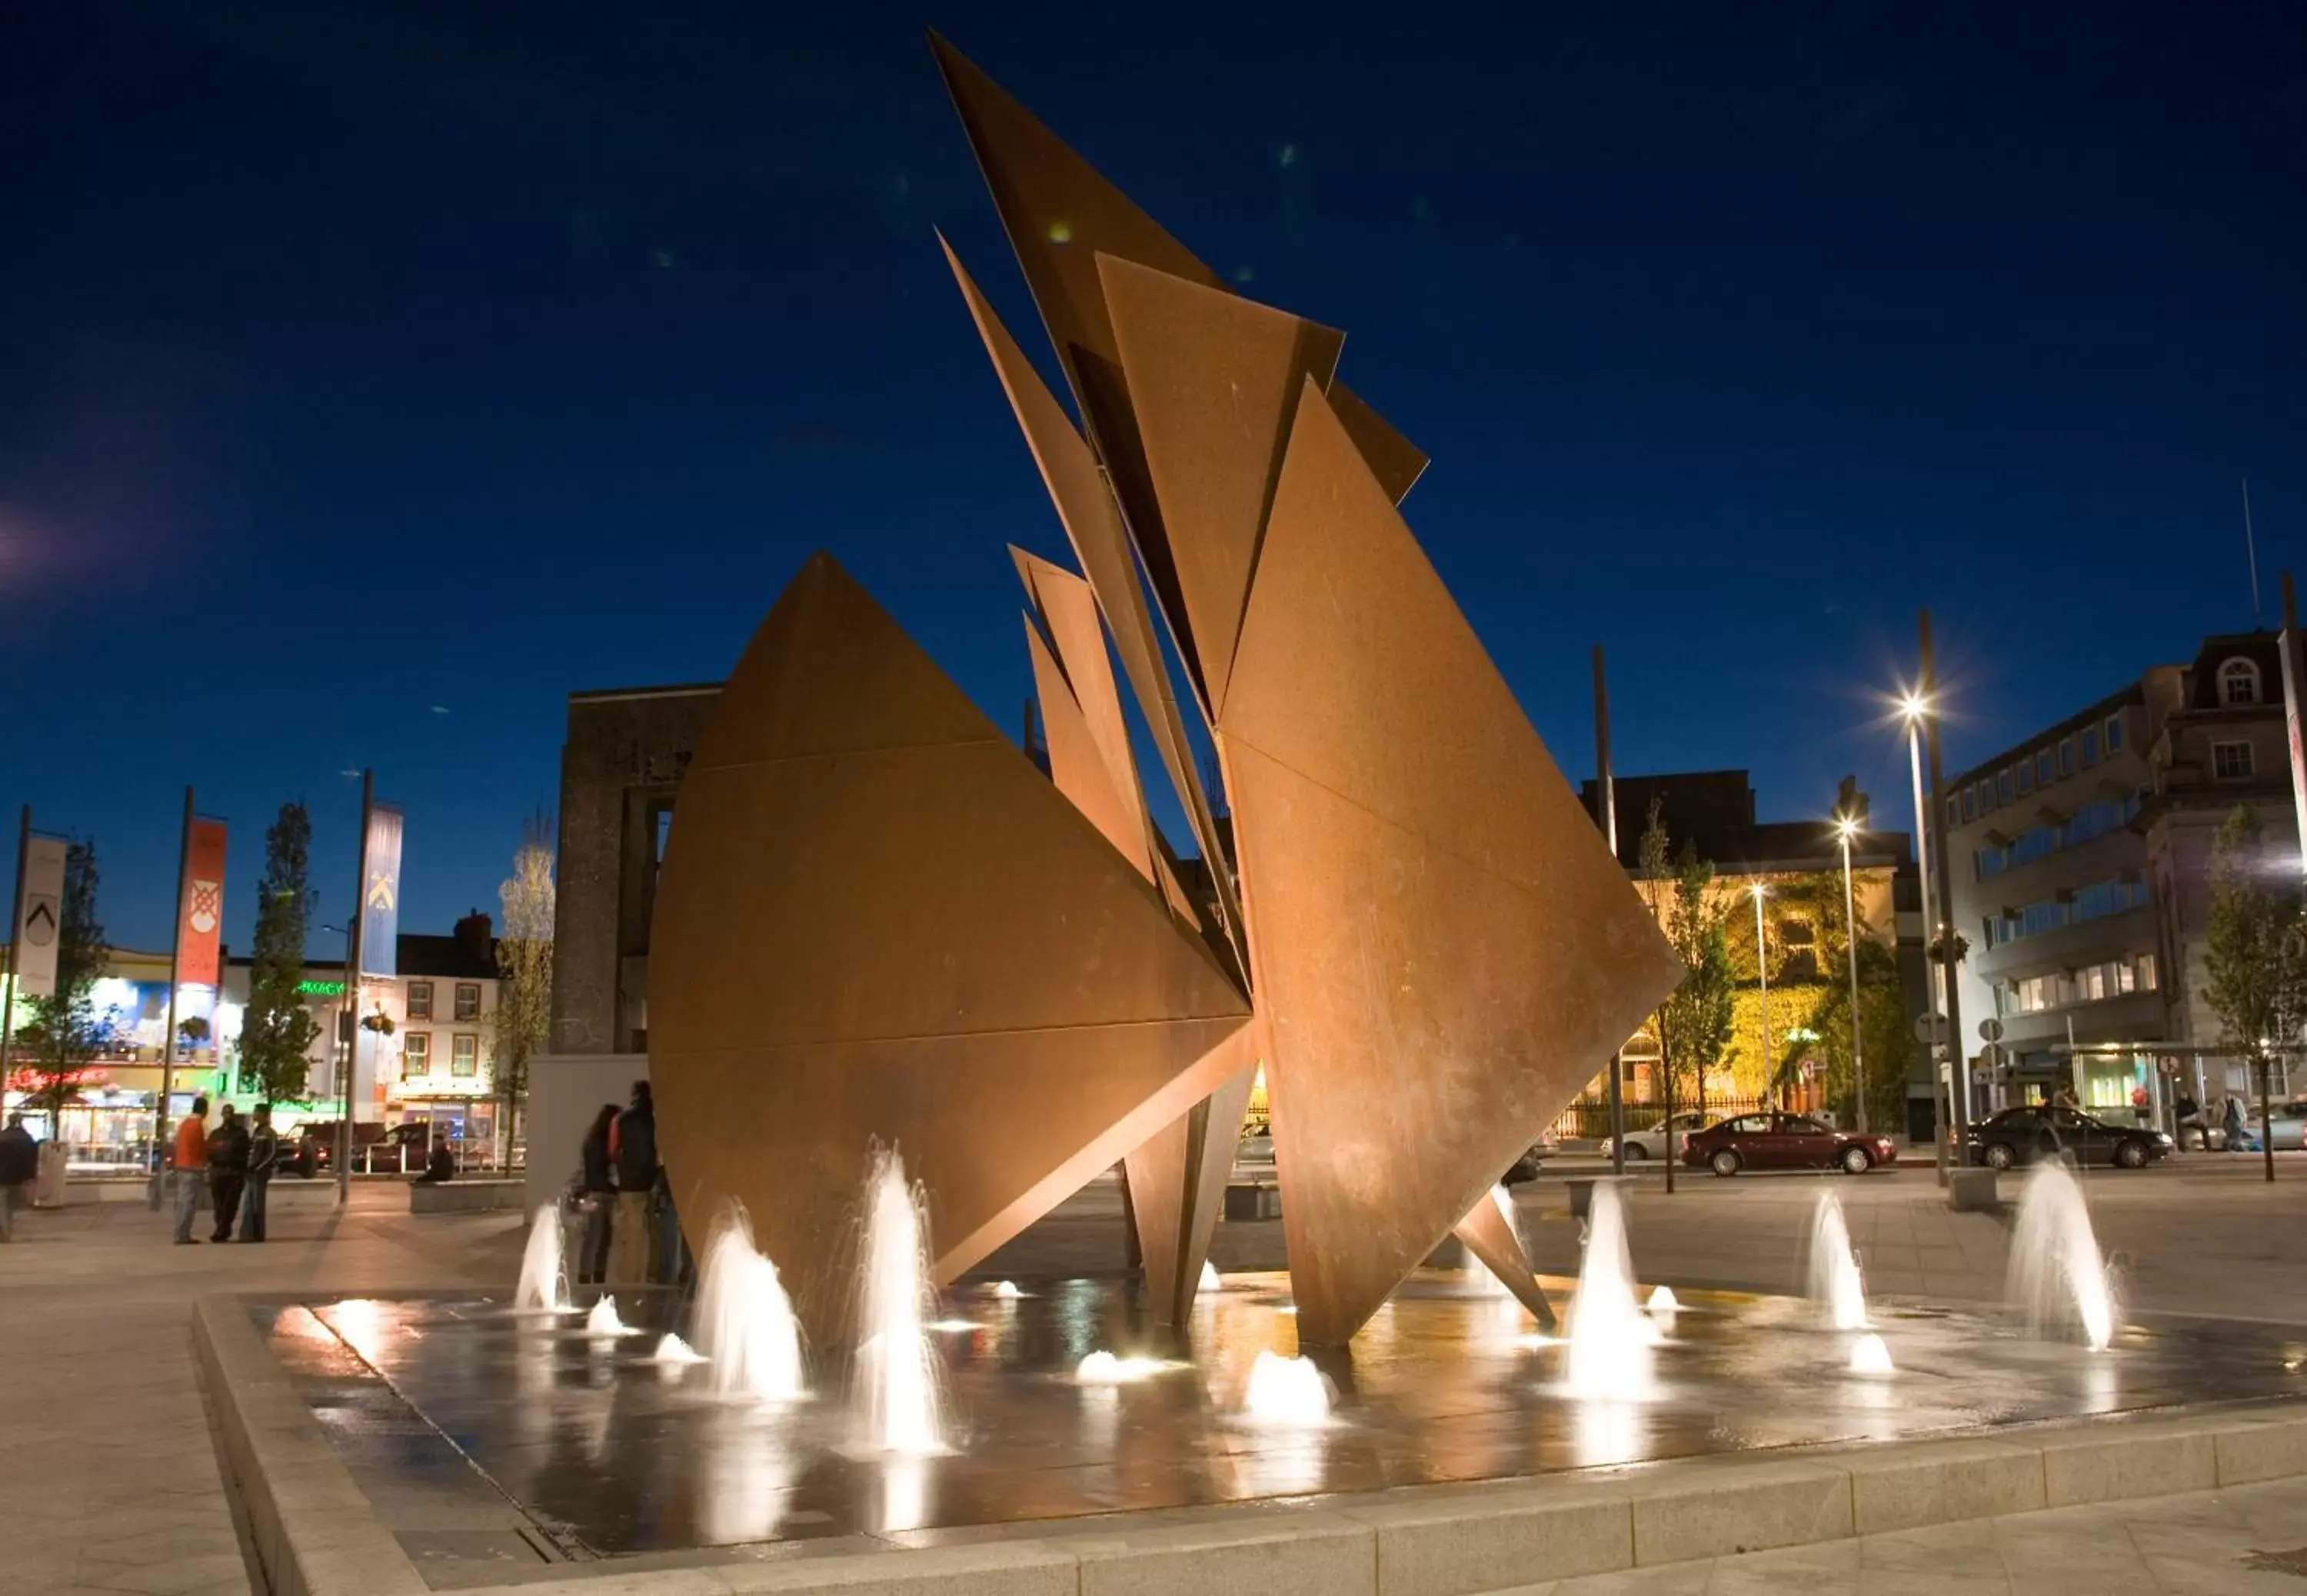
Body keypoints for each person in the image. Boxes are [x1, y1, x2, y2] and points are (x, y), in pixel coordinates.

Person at [609, 1080, 658, 1286]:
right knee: (654, 1237)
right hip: (653, 1183)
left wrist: (623, 1167)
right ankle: (652, 1278)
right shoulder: (656, 1120)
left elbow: (612, 1151)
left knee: (631, 1238)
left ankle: (630, 1282)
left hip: (629, 1185)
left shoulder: (621, 1120)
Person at [576, 1103, 618, 1285]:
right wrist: (613, 1188)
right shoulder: (600, 1143)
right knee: (597, 1240)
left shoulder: (594, 1140)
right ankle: (589, 1278)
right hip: (599, 1194)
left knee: (599, 1240)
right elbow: (596, 1173)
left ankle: (592, 1278)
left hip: (598, 1193)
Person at [170, 1096, 211, 1245]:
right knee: (189, 1203)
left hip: (182, 1166)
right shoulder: (197, 1125)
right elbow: (199, 1148)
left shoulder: (185, 1124)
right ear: (204, 1110)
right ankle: (182, 1235)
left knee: (182, 1201)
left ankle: (180, 1233)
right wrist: (205, 1163)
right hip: (193, 1168)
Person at [207, 1104, 249, 1242]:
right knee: (219, 1205)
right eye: (225, 1113)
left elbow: (245, 1153)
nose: (227, 1116)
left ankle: (222, 1230)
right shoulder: (215, 1134)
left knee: (230, 1205)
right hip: (218, 1173)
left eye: (230, 1113)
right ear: (222, 1114)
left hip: (234, 1174)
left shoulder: (241, 1134)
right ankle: (222, 1229)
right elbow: (209, 1152)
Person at [238, 1105, 279, 1242]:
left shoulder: (269, 1133)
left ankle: (257, 1234)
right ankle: (247, 1234)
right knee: (248, 1203)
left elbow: (272, 1153)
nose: (254, 1114)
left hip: (259, 1174)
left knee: (257, 1204)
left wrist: (258, 1167)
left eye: (256, 1112)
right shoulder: (257, 1131)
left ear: (263, 1114)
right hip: (251, 1173)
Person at [0, 1112, 38, 1242]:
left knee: (3, 1205)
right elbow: (30, 1160)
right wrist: (30, 1177)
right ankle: (7, 1232)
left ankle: (4, 1231)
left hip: (2, 1177)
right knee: (10, 1206)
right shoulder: (26, 1139)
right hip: (16, 1178)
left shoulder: (2, 1136)